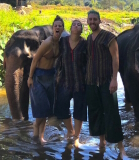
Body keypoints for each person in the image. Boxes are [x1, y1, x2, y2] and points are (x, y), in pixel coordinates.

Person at [86, 10, 127, 159]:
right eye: (90, 19)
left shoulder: (109, 37)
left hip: (106, 81)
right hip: (91, 81)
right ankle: (102, 142)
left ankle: (121, 147)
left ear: (99, 20)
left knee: (112, 113)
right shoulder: (89, 38)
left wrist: (114, 79)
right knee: (96, 113)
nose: (92, 22)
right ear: (87, 21)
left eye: (94, 19)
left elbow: (115, 58)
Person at [27, 15, 64, 145]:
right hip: (38, 77)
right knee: (40, 111)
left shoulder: (60, 43)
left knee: (46, 110)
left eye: (60, 26)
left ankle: (39, 139)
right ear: (53, 28)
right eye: (56, 26)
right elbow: (35, 59)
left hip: (51, 77)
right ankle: (36, 135)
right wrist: (30, 78)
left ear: (63, 28)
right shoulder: (47, 42)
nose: (57, 27)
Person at [54, 19, 87, 147]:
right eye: (74, 24)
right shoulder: (63, 41)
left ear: (81, 29)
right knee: (62, 108)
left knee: (79, 110)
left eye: (79, 25)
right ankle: (70, 130)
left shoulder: (85, 43)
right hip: (65, 81)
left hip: (80, 82)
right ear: (70, 28)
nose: (76, 26)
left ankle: (76, 137)